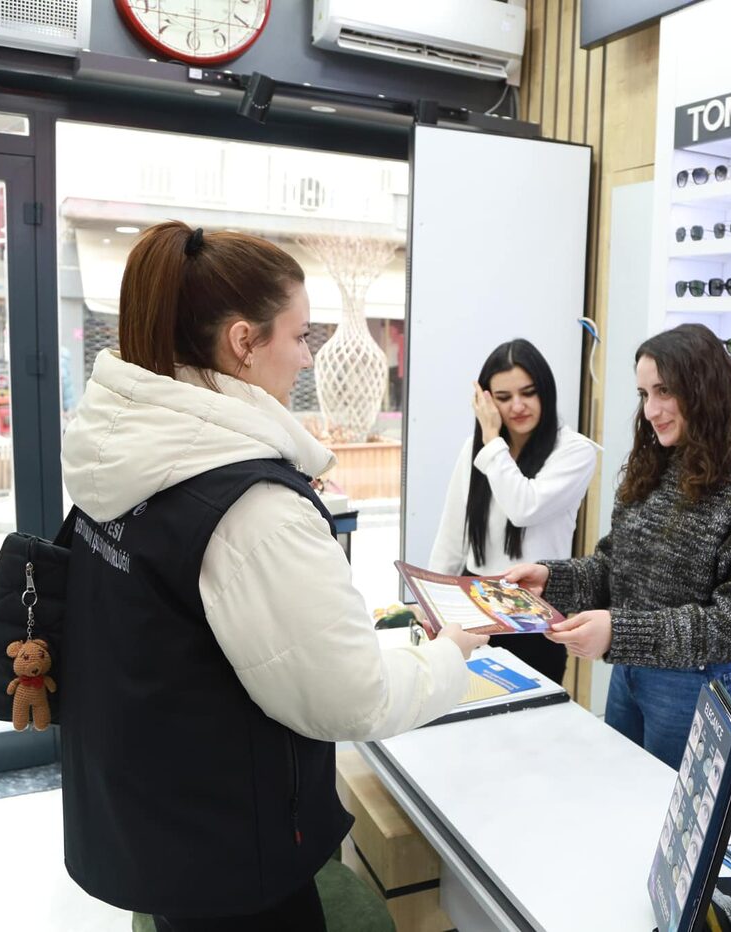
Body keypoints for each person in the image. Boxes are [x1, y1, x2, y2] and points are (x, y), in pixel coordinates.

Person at [59, 221, 487, 931]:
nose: (307, 359)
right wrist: (450, 656)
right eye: (299, 337)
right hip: (235, 853)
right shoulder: (251, 507)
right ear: (243, 342)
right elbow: (351, 699)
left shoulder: (127, 456)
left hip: (160, 822)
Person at [504, 323, 731, 768]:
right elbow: (613, 567)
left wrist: (619, 632)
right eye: (644, 394)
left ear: (704, 389)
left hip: (694, 690)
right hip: (629, 677)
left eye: (664, 391)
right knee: (623, 809)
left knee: (676, 831)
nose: (652, 410)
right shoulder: (655, 460)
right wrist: (552, 578)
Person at [428, 338, 598, 684]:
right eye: (503, 398)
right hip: (474, 610)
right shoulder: (477, 449)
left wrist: (492, 440)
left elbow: (524, 507)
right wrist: (433, 607)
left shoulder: (575, 451)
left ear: (545, 393)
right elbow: (453, 532)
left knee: (530, 729)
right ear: (487, 400)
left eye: (528, 393)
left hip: (535, 617)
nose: (517, 406)